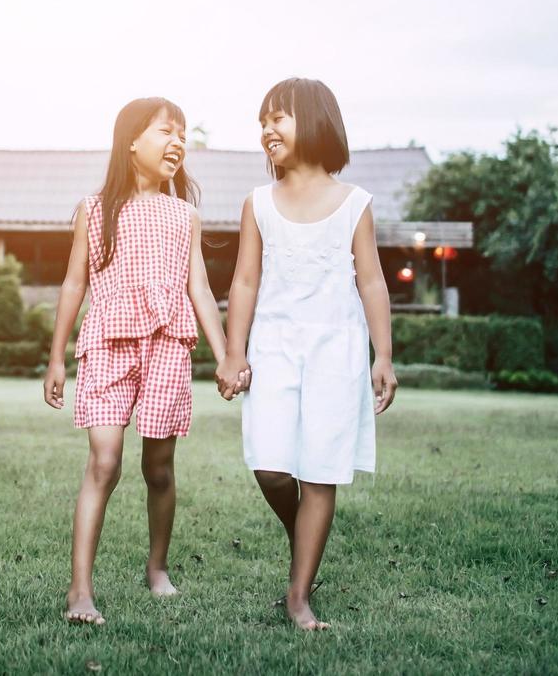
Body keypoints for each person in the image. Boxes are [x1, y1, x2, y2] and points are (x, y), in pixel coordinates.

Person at [42, 96, 239, 625]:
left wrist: (225, 356)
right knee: (104, 461)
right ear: (132, 140)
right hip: (107, 343)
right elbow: (73, 283)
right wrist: (56, 358)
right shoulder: (94, 207)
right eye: (165, 132)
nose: (177, 142)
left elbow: (199, 285)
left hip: (166, 346)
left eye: (182, 135)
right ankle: (79, 590)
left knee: (159, 467)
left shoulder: (185, 215)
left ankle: (157, 567)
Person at [215, 76, 398, 631]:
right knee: (271, 468)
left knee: (319, 472)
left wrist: (383, 355)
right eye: (263, 120)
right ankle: (306, 541)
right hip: (272, 350)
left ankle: (299, 594)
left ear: (316, 120)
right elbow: (244, 282)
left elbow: (372, 282)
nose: (268, 128)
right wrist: (233, 353)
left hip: (335, 353)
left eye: (280, 117)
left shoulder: (354, 203)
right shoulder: (258, 202)